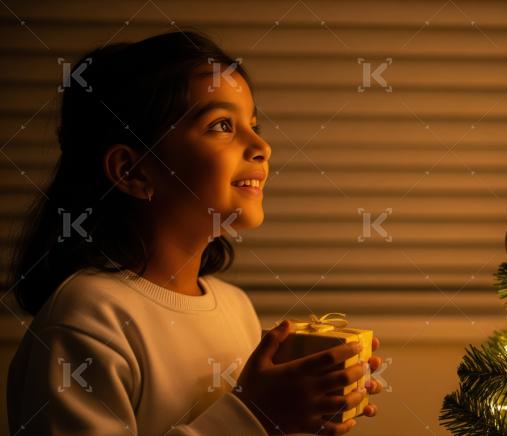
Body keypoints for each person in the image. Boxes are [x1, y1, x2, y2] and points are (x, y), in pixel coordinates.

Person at [6, 31, 382, 435]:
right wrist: (254, 415)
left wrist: (295, 419)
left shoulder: (235, 307)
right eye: (222, 125)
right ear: (133, 171)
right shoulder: (89, 318)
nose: (262, 146)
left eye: (253, 125)